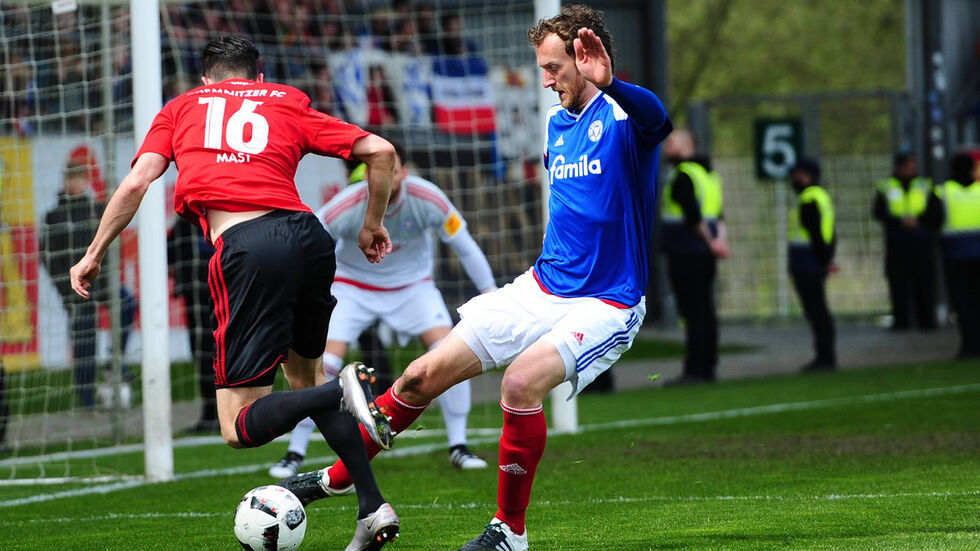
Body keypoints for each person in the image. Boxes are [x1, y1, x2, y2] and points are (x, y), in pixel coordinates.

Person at [277, 6, 672, 550]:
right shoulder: (556, 126)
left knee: (519, 384)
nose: (546, 78)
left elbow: (659, 122)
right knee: (419, 377)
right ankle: (337, 478)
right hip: (541, 286)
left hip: (608, 301)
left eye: (555, 66)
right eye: (543, 66)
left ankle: (510, 532)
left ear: (589, 59)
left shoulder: (628, 119)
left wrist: (614, 83)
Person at [68, 36, 400, 550]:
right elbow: (381, 150)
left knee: (237, 425)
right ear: (258, 78)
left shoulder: (180, 108)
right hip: (309, 238)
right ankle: (372, 506)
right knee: (304, 378)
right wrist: (370, 224)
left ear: (206, 80)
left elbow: (137, 183)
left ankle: (343, 389)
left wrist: (93, 253)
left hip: (249, 246)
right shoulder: (286, 99)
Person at [269, 146, 496, 478]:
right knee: (323, 363)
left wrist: (490, 295)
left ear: (404, 172)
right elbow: (308, 245)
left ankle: (459, 446)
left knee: (448, 353)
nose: (386, 174)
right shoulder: (347, 206)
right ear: (367, 173)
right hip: (353, 287)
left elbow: (463, 245)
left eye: (393, 168)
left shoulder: (428, 199)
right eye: (378, 168)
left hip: (413, 288)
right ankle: (295, 452)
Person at [40, 147, 137, 410]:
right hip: (75, 289)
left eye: (80, 178)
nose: (76, 183)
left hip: (101, 283)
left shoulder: (97, 209)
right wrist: (65, 288)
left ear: (86, 180)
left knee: (127, 303)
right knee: (85, 339)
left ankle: (115, 359)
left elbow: (113, 243)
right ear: (65, 181)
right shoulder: (54, 216)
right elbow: (48, 257)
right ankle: (86, 399)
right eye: (72, 178)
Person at [660, 128, 729, 384]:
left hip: (686, 251)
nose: (666, 146)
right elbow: (718, 213)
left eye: (672, 142)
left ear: (687, 145)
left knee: (692, 312)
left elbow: (692, 216)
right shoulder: (708, 174)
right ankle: (708, 366)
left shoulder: (683, 175)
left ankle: (695, 370)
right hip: (705, 253)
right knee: (705, 310)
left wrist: (710, 241)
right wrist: (719, 241)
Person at [922, 153, 980, 359]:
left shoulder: (942, 192)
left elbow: (931, 222)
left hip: (955, 255)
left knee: (963, 302)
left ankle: (970, 345)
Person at [872, 153, 937, 331]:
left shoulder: (925, 185)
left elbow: (935, 212)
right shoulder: (886, 186)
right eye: (909, 166)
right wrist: (899, 221)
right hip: (897, 241)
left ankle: (927, 321)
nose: (912, 169)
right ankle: (901, 321)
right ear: (899, 168)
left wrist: (919, 221)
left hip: (921, 240)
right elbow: (878, 212)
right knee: (898, 282)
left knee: (924, 282)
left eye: (914, 166)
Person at [166, 216, 219, 433]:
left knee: (211, 354)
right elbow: (169, 256)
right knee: (208, 355)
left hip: (215, 294)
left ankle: (218, 414)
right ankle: (213, 414)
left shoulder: (190, 221)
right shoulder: (186, 222)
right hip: (204, 295)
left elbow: (170, 259)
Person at [788, 158, 838, 372]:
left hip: (807, 262)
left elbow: (817, 234)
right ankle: (825, 355)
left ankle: (825, 356)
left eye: (796, 174)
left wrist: (824, 260)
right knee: (819, 311)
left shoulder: (809, 199)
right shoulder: (820, 197)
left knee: (817, 311)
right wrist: (828, 258)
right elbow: (830, 233)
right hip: (814, 260)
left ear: (805, 175)